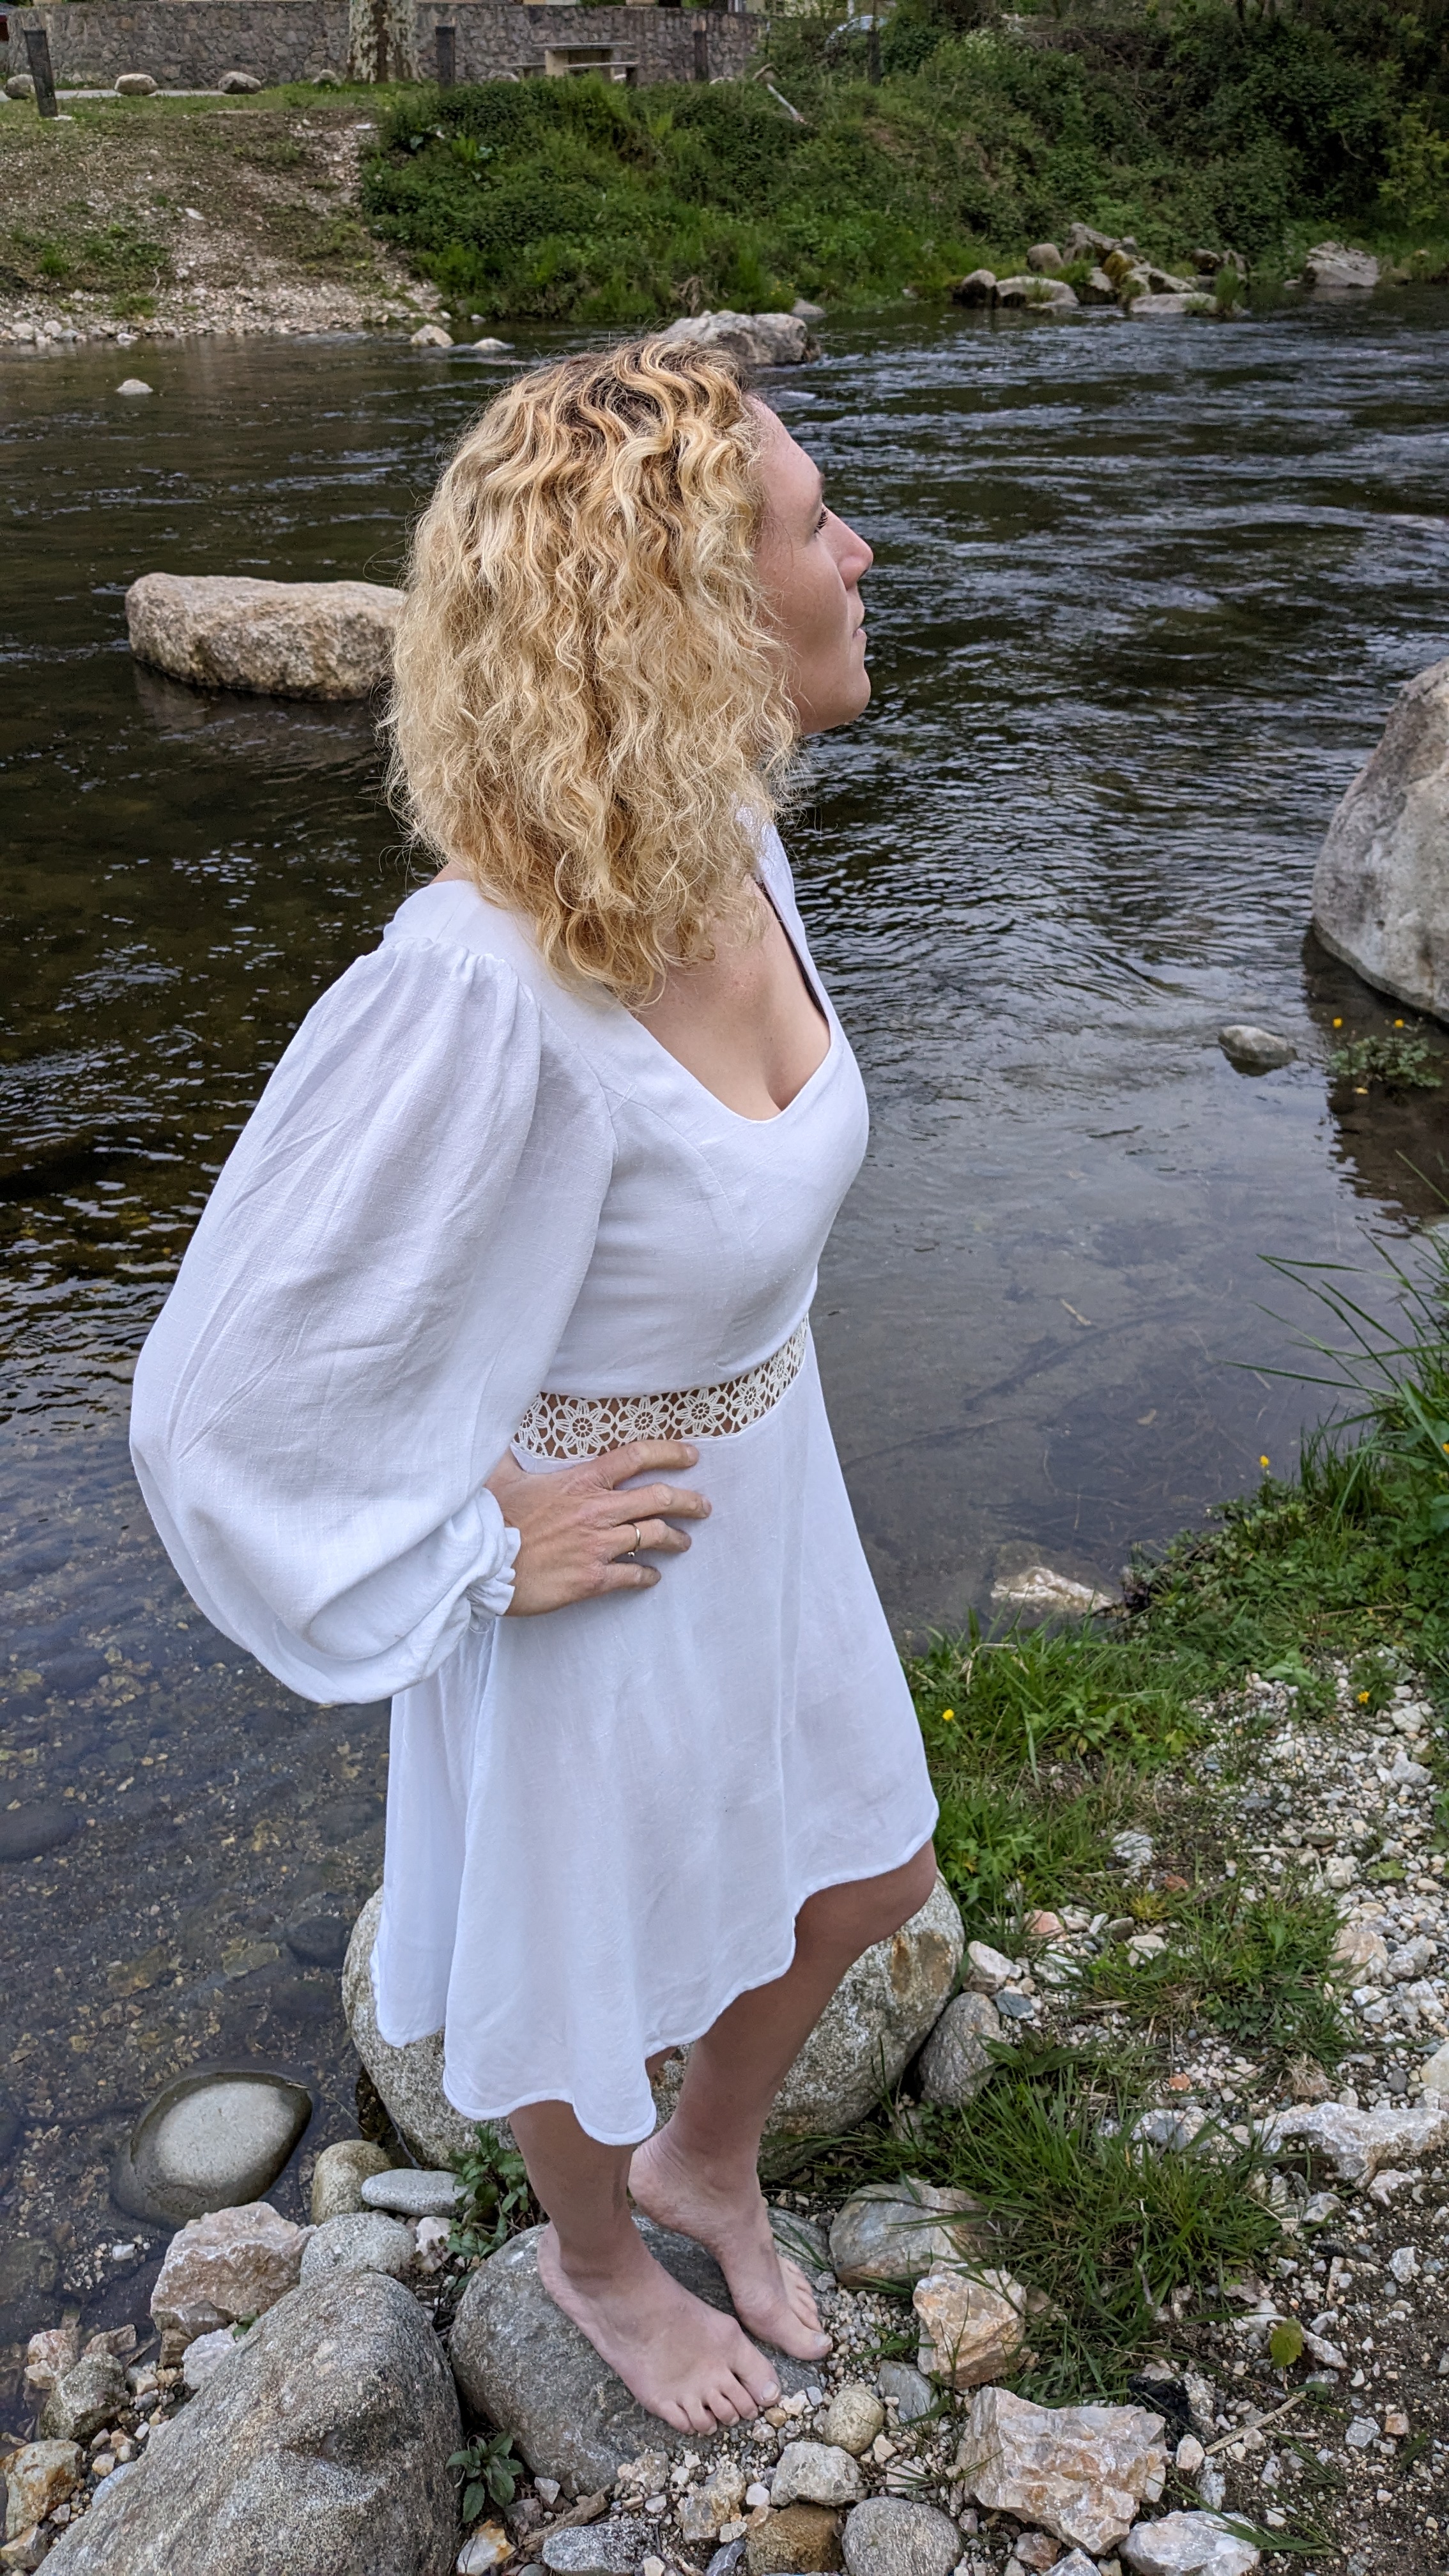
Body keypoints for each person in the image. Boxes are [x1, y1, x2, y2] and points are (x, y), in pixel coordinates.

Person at [130, 339, 939, 2437]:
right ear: (693, 614)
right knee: (578, 1971)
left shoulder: (729, 842)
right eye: (813, 526)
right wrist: (476, 1537)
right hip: (602, 1557)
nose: (858, 554)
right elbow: (217, 1399)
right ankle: (593, 2257)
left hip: (772, 1495)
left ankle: (707, 2161)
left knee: (867, 1875)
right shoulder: (479, 986)